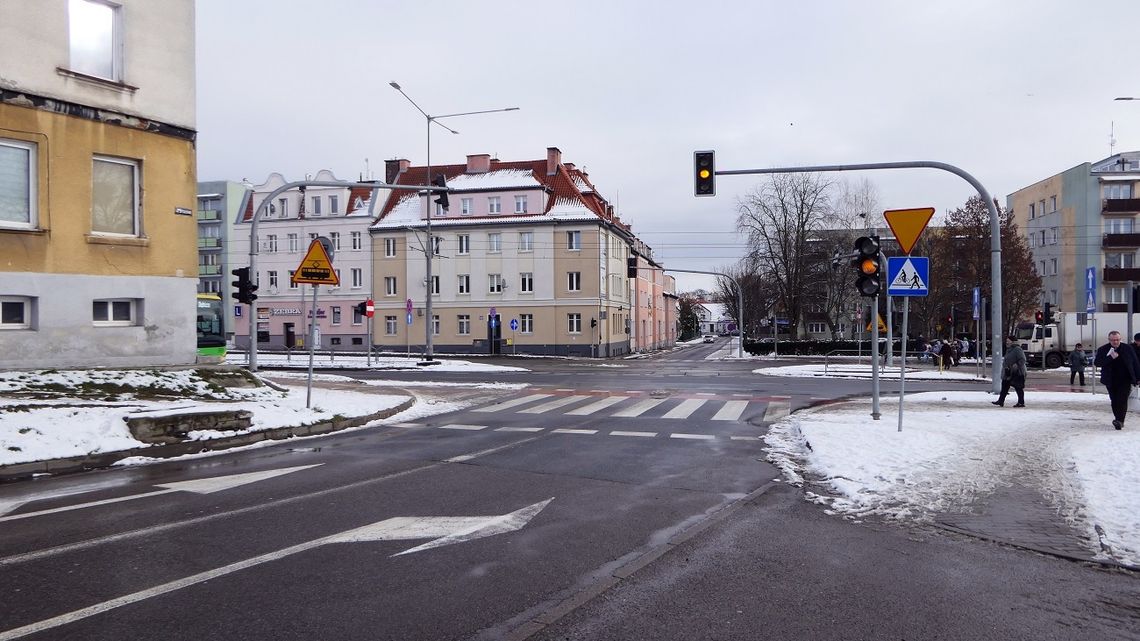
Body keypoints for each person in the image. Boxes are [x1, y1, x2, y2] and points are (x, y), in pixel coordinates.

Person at [1093, 330, 1140, 430]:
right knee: (1114, 400)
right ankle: (1117, 418)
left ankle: (1120, 421)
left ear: (1120, 339)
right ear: (1109, 340)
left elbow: (1135, 363)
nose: (1115, 342)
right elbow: (1097, 363)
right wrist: (1110, 357)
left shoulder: (1128, 348)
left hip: (1125, 379)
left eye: (1117, 340)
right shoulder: (1103, 349)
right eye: (1113, 340)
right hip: (1110, 379)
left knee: (1122, 399)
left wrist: (1138, 378)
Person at [992, 336, 1027, 407]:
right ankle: (1001, 401)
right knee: (1004, 386)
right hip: (1008, 372)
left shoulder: (1017, 349)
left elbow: (1022, 359)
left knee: (1018, 387)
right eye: (1006, 340)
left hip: (1016, 372)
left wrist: (1015, 366)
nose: (1007, 342)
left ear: (1013, 341)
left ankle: (1021, 402)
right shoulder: (1009, 349)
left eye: (1008, 341)